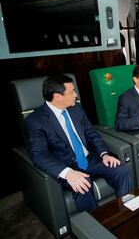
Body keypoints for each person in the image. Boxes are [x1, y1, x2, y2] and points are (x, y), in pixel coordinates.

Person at [24, 75, 132, 212]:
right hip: (66, 165)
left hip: (89, 159)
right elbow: (39, 155)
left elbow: (91, 133)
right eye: (71, 92)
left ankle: (126, 212)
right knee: (83, 184)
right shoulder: (35, 121)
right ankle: (94, 226)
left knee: (120, 169)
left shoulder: (76, 109)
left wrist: (104, 154)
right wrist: (68, 173)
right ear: (57, 96)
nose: (75, 95)